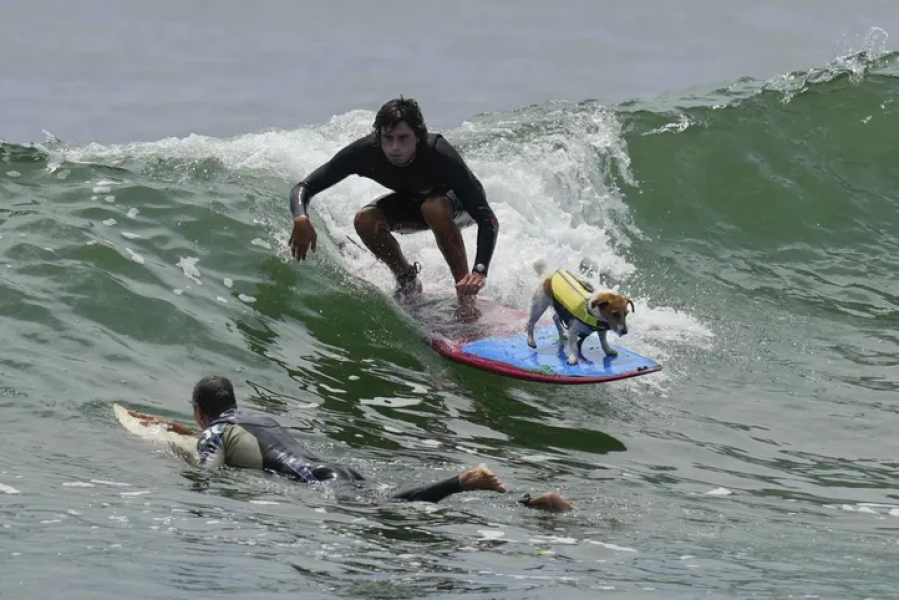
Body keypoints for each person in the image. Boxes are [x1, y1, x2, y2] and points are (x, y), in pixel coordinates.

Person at [173, 375, 573, 511]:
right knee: (408, 506)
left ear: (199, 410)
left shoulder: (214, 432)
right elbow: (246, 443)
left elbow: (207, 473)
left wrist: (176, 454)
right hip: (335, 471)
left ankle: (461, 481)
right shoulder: (257, 417)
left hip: (319, 484)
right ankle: (526, 503)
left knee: (393, 510)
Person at [286, 97, 499, 317]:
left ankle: (466, 297)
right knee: (365, 219)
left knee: (433, 207)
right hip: (414, 205)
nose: (395, 147)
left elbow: (487, 218)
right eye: (388, 138)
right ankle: (407, 280)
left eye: (403, 138)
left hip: (457, 207)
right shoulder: (364, 152)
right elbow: (305, 186)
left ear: (418, 136)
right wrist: (300, 217)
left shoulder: (438, 153)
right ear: (379, 136)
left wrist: (479, 270)